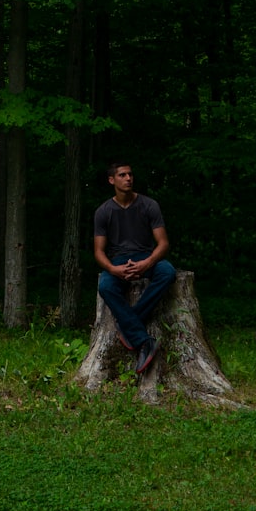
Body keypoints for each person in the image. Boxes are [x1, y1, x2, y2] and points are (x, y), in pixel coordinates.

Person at [93, 161, 176, 375]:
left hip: (145, 257)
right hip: (118, 261)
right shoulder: (103, 211)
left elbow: (163, 243)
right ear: (112, 180)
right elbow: (98, 252)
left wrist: (146, 263)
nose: (128, 178)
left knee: (167, 272)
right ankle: (143, 340)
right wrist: (113, 269)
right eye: (122, 175)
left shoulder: (149, 205)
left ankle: (129, 324)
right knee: (106, 286)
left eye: (130, 174)